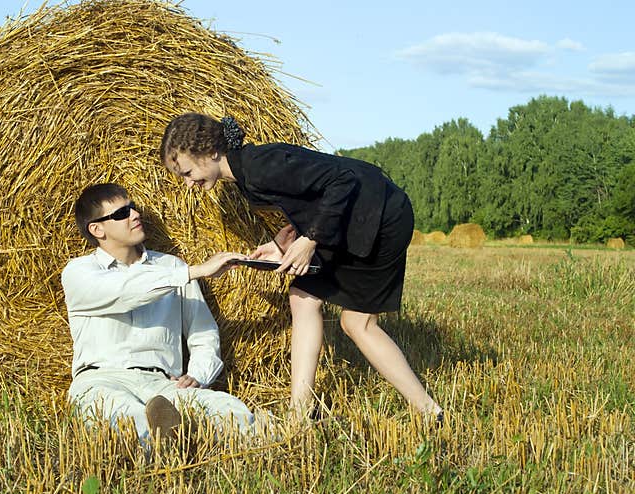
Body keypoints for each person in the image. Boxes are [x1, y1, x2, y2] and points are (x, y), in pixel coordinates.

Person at [160, 112, 444, 425]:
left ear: (210, 152)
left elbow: (343, 181)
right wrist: (283, 241)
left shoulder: (259, 167)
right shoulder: (245, 172)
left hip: (380, 216)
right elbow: (310, 196)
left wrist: (310, 240)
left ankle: (429, 411)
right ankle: (300, 409)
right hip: (356, 216)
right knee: (302, 296)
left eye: (187, 172)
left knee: (358, 323)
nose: (187, 184)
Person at [62, 182, 257, 456]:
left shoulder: (172, 266)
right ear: (97, 229)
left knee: (230, 411)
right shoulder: (79, 272)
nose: (134, 215)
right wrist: (196, 271)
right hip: (102, 380)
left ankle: (294, 434)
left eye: (132, 208)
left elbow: (203, 332)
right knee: (124, 418)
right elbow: (126, 292)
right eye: (121, 214)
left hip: (164, 383)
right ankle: (167, 447)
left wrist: (199, 375)